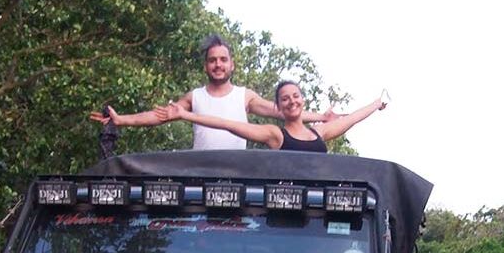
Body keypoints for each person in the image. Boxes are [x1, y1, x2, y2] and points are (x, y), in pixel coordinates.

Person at [89, 35, 337, 150]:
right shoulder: (194, 97)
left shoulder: (245, 96)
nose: (218, 65)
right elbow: (159, 116)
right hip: (201, 171)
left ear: (232, 65)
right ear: (206, 65)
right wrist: (122, 120)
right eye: (212, 60)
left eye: (223, 60)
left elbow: (285, 111)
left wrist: (321, 118)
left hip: (238, 173)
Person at [159, 80, 385, 153]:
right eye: (285, 99)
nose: (292, 101)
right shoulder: (275, 134)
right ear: (278, 106)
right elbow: (225, 123)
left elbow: (352, 118)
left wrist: (377, 103)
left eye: (296, 96)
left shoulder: (319, 132)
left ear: (302, 99)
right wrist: (186, 115)